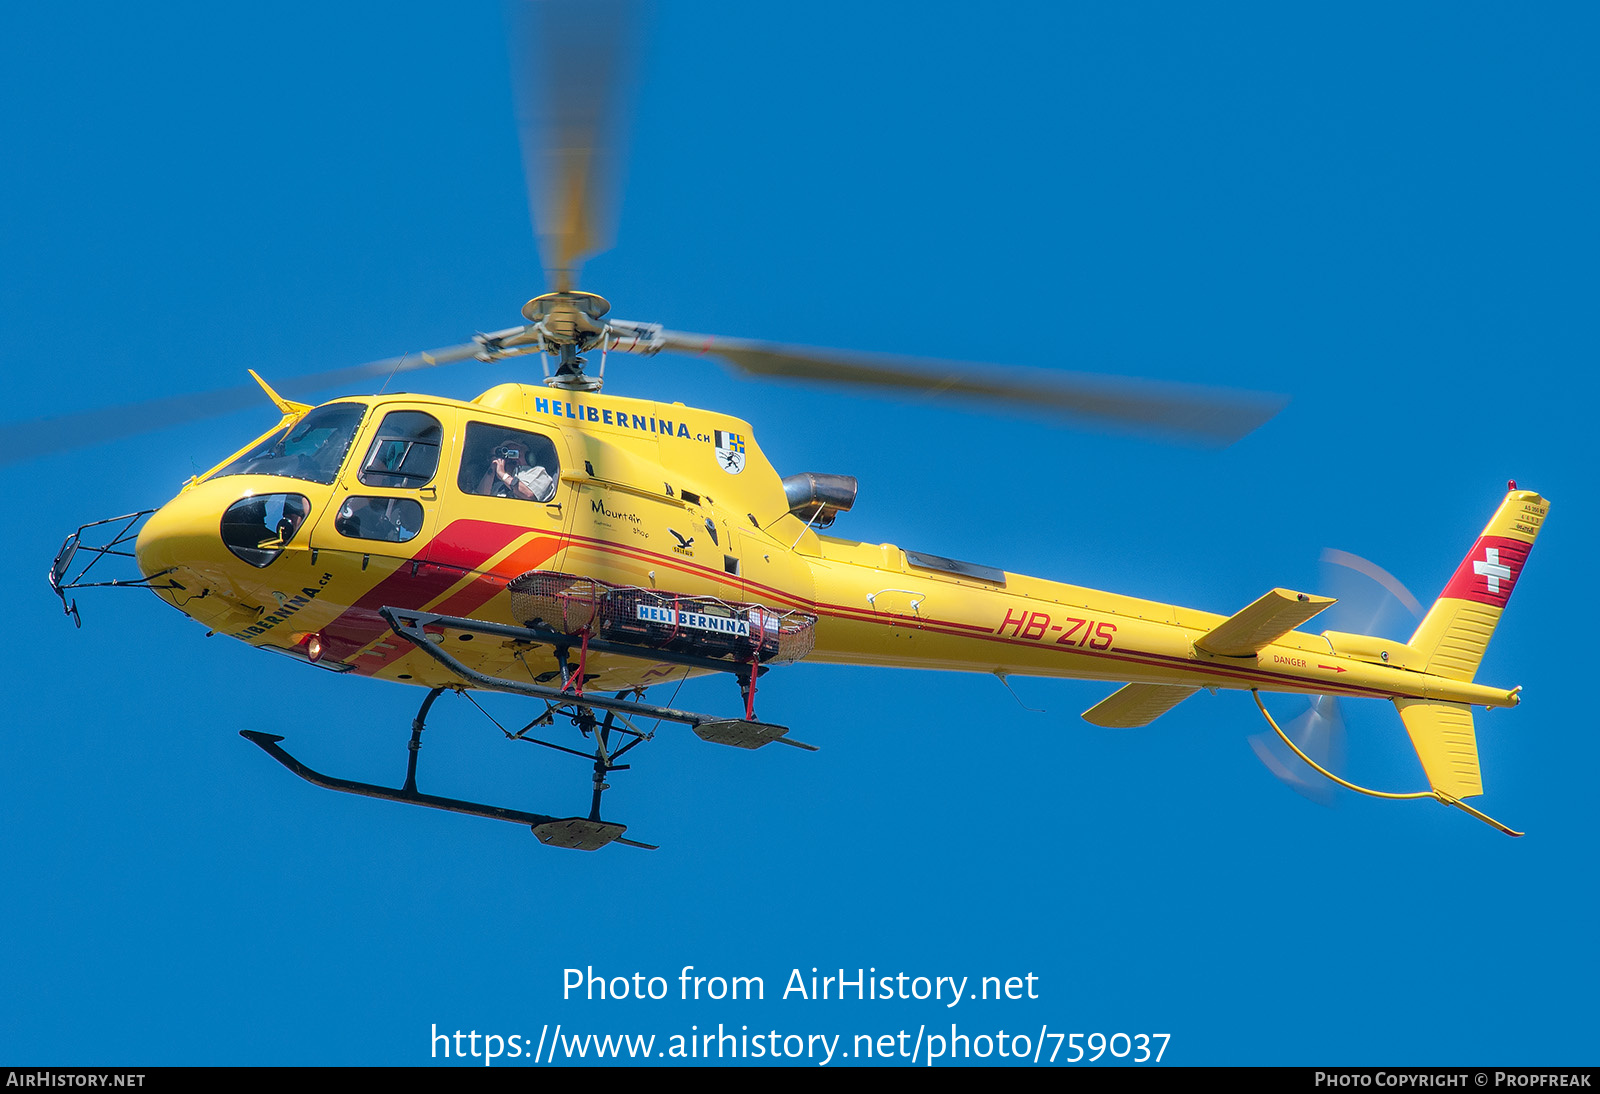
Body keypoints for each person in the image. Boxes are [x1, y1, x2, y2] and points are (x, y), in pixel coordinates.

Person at [477, 436, 555, 502]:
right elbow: (479, 499)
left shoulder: (538, 472)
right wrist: (493, 465)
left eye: (515, 453)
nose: (511, 458)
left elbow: (529, 494)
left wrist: (503, 475)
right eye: (507, 454)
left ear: (528, 456)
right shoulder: (499, 486)